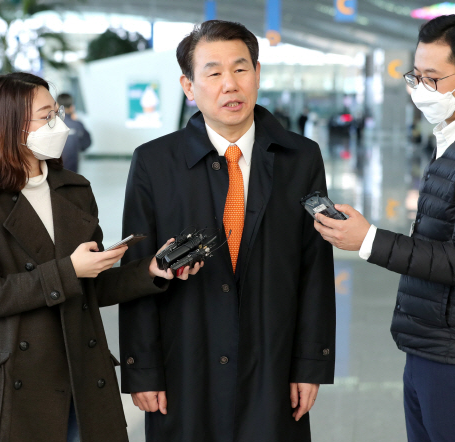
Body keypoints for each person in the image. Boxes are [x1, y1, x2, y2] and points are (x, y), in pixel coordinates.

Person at [0, 72, 201, 442]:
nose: (59, 124)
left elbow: (90, 287)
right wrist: (69, 270)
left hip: (80, 371)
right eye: (47, 116)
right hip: (10, 382)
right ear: (10, 125)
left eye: (58, 113)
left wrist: (151, 269)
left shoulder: (74, 190)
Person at [313, 15, 455, 442]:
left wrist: (370, 240)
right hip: (433, 349)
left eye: (432, 77)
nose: (419, 87)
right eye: (416, 74)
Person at [118, 20, 336, 442]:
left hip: (271, 358)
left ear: (257, 73)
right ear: (188, 85)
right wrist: (142, 369)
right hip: (185, 361)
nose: (230, 85)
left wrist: (309, 362)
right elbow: (136, 272)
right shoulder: (154, 162)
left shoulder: (300, 157)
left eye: (240, 69)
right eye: (213, 73)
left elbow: (314, 266)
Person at [57, 93, 92, 173]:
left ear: (57, 106)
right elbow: (87, 143)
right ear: (72, 107)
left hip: (53, 174)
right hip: (72, 172)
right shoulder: (78, 125)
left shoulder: (52, 124)